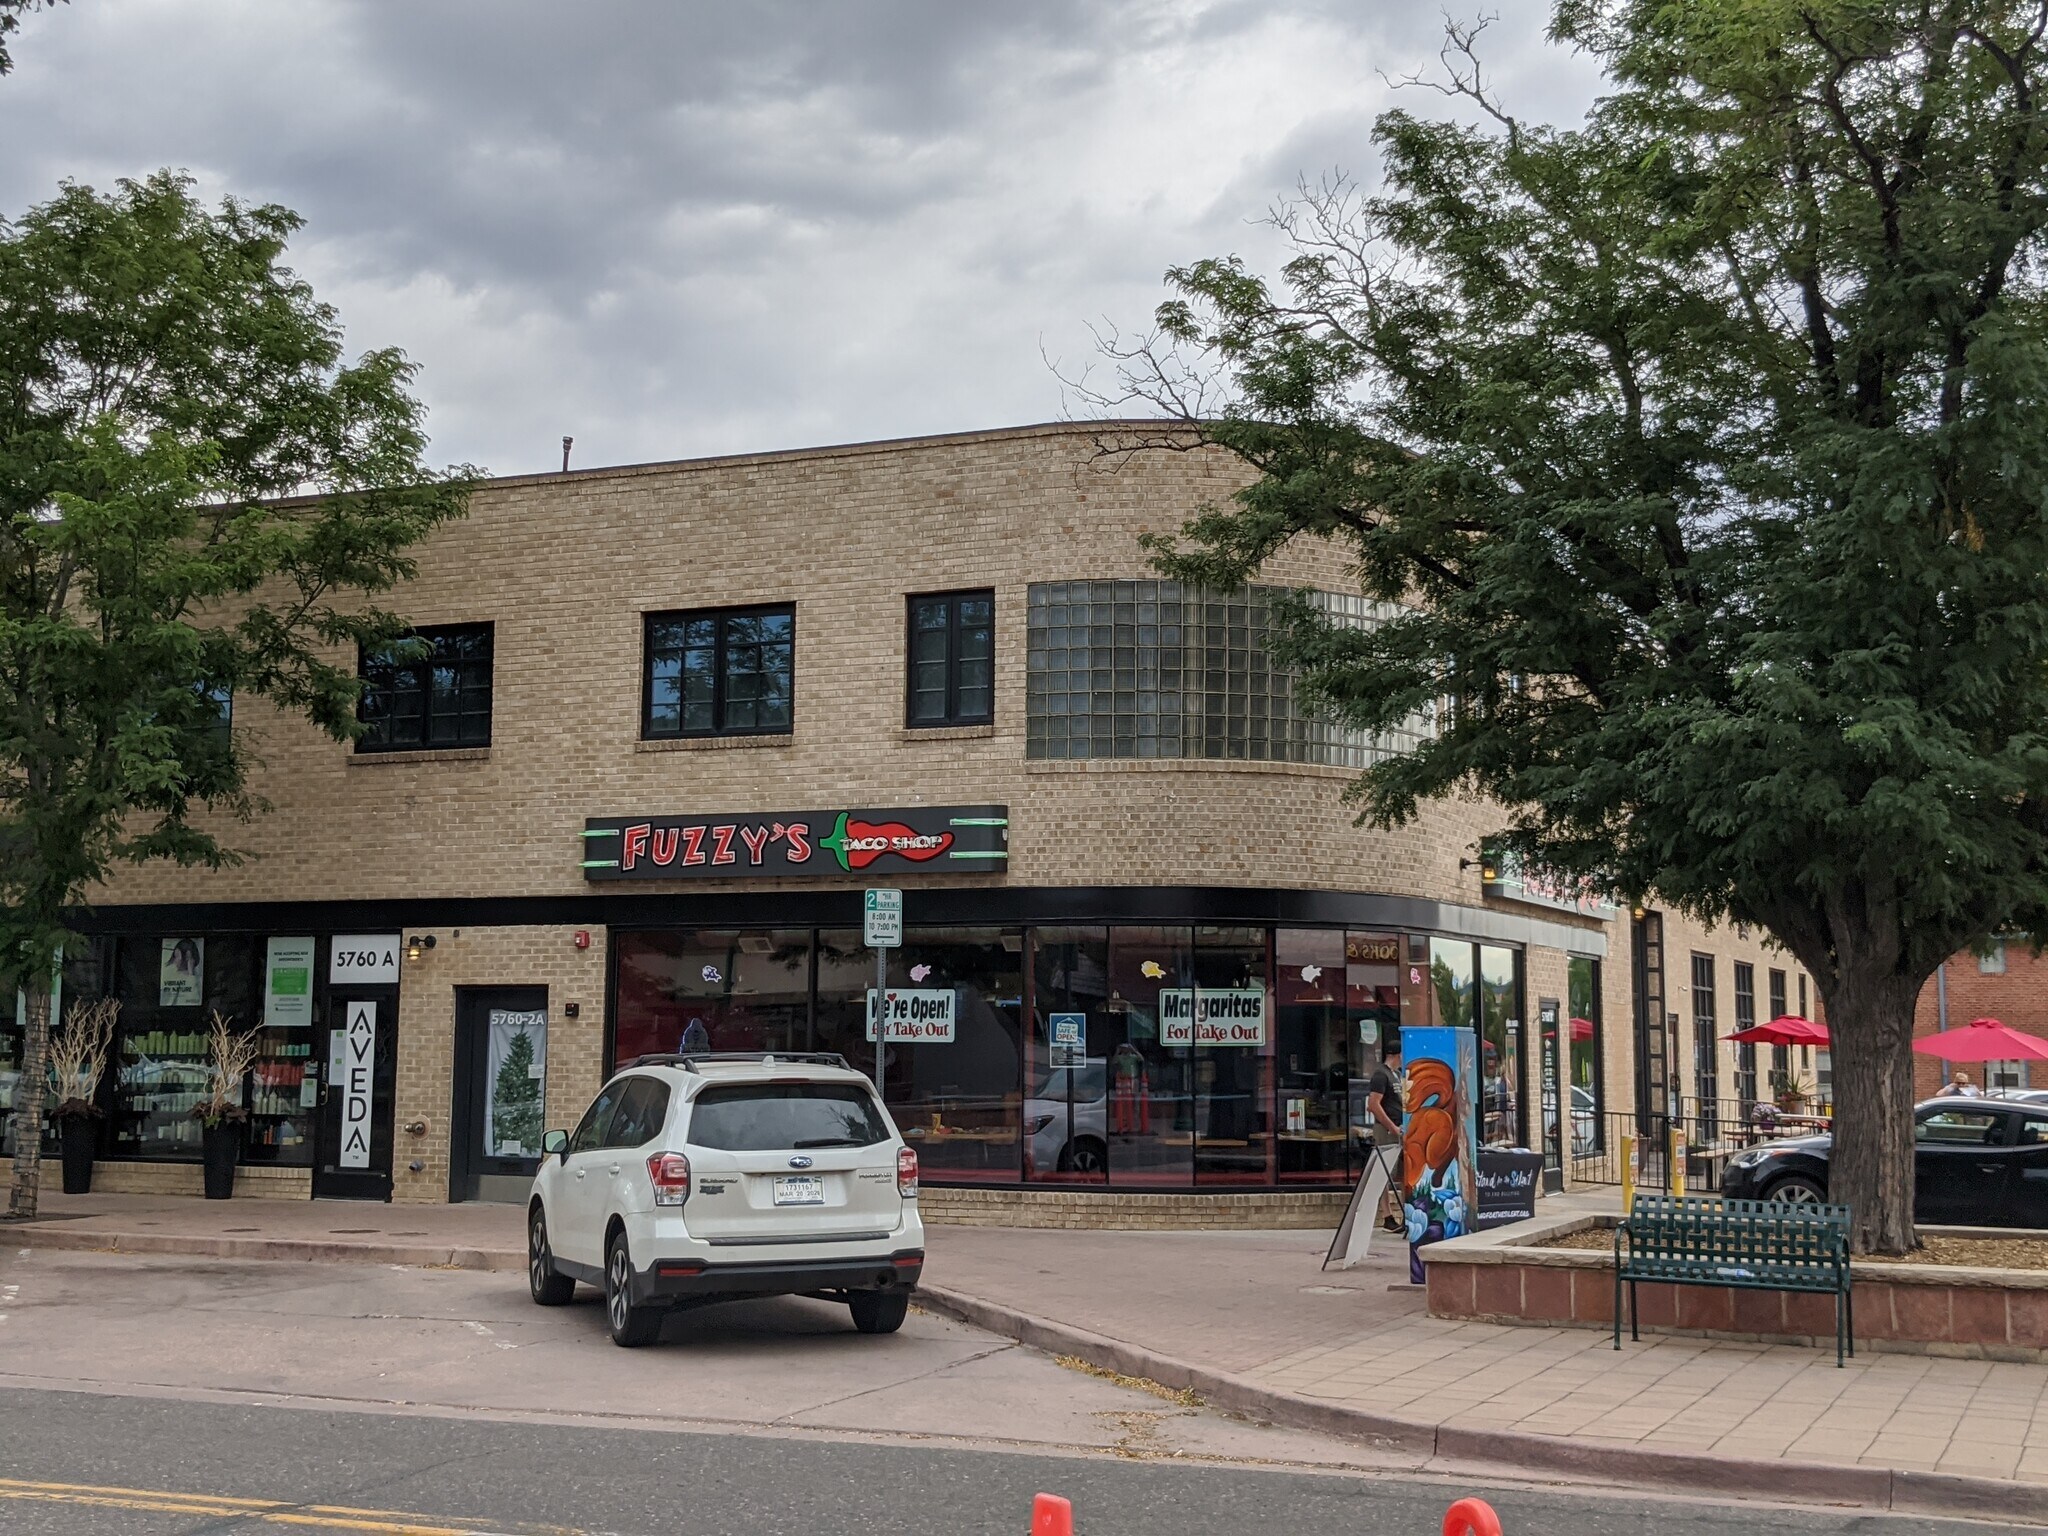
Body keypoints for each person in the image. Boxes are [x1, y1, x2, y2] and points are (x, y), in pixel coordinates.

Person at [1367, 1041, 1405, 1232]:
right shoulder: (1380, 1075)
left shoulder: (1397, 1075)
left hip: (1401, 1128)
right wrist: (1391, 1126)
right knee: (1385, 1173)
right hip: (1387, 1130)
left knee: (1404, 1172)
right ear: (1396, 1054)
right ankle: (1387, 1216)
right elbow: (1373, 1105)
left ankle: (1408, 1214)